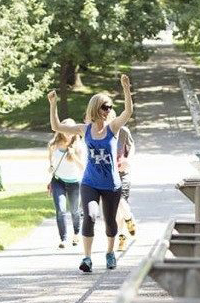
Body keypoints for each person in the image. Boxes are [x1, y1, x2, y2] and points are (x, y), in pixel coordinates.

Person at [47, 74, 134, 273]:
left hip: (111, 184)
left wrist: (126, 89)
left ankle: (110, 253)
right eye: (105, 107)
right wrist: (53, 104)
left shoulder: (114, 128)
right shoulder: (85, 129)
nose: (109, 110)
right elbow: (57, 127)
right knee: (90, 215)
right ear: (96, 108)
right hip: (89, 183)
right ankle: (87, 258)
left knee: (110, 220)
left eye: (110, 107)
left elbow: (128, 112)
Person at [48, 131, 85, 249]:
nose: (68, 134)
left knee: (74, 210)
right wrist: (51, 166)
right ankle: (63, 238)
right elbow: (51, 159)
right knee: (60, 209)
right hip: (58, 181)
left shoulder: (79, 147)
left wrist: (73, 155)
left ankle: (76, 233)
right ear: (61, 131)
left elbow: (82, 167)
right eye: (65, 131)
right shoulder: (54, 144)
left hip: (74, 182)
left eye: (71, 132)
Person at [115, 125, 137, 251]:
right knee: (117, 210)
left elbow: (132, 146)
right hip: (109, 175)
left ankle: (128, 221)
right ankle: (122, 237)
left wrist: (128, 160)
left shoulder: (123, 131)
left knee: (121, 201)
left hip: (123, 173)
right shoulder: (101, 132)